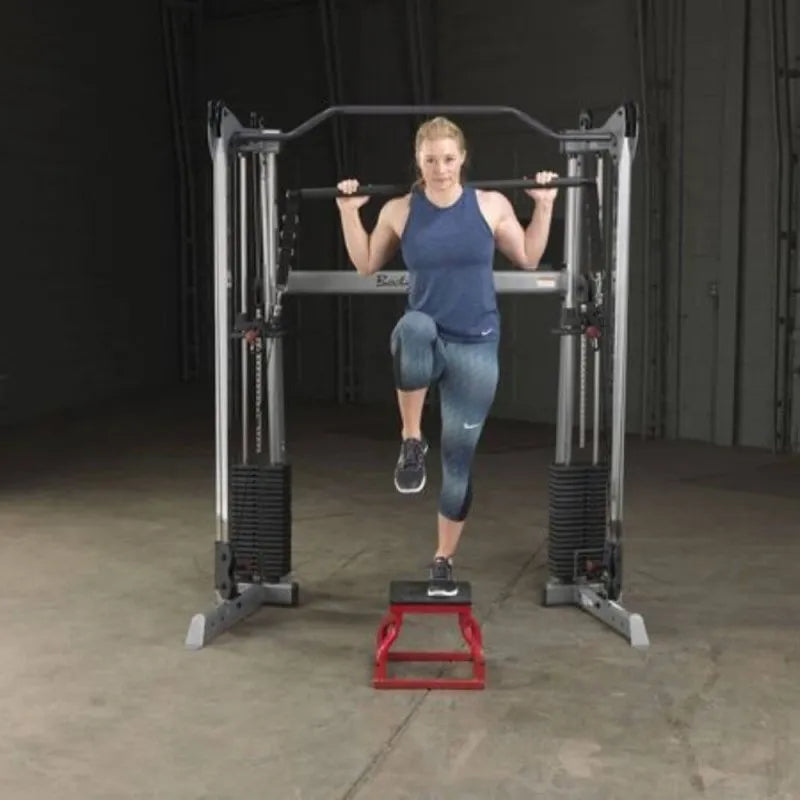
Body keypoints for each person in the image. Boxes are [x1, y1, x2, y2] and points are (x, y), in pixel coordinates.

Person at [335, 116, 558, 596]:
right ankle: (411, 439)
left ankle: (443, 559)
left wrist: (544, 206)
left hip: (476, 344)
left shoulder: (489, 204)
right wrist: (349, 211)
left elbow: (530, 257)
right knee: (412, 326)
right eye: (431, 159)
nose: (440, 169)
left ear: (463, 159)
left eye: (448, 159)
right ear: (418, 160)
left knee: (458, 464)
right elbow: (365, 264)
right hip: (429, 339)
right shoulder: (401, 210)